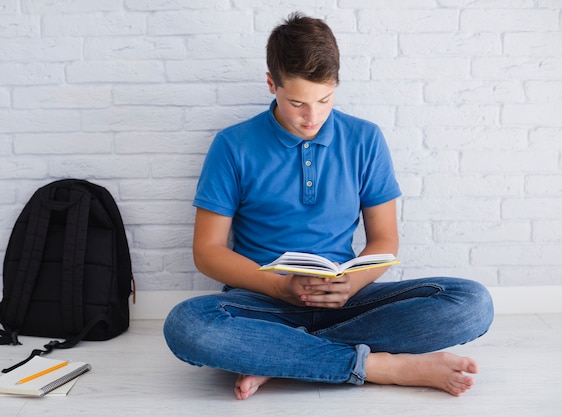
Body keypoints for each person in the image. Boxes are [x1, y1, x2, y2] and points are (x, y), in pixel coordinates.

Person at [163, 12, 494, 400]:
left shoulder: (365, 139)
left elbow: (385, 240)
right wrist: (281, 287)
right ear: (272, 84)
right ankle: (379, 366)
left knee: (472, 302)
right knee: (187, 325)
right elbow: (207, 252)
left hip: (346, 299)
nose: (312, 117)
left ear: (336, 84)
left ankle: (279, 356)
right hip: (261, 303)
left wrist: (350, 284)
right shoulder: (232, 145)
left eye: (324, 100)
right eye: (297, 103)